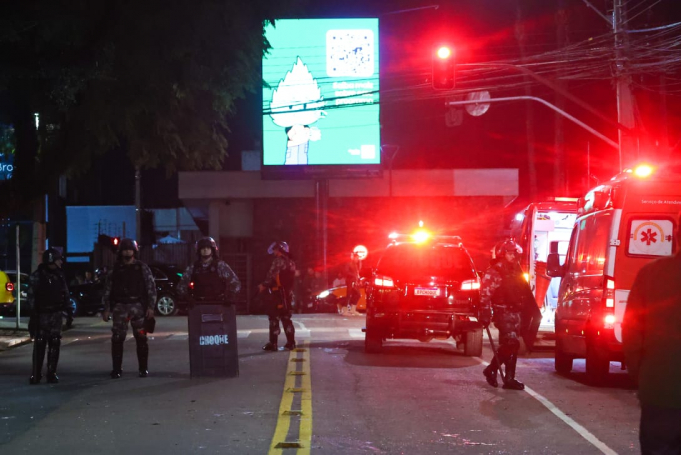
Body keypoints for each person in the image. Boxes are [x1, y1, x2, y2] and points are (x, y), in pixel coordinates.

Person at [622, 212, 681, 455]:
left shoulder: (651, 274)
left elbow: (632, 331)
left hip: (660, 389)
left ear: (676, 236)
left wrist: (641, 373)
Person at [478, 239, 532, 390]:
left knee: (512, 346)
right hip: (503, 311)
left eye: (515, 253)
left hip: (515, 312)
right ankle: (491, 369)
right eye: (510, 253)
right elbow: (485, 293)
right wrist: (485, 311)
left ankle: (509, 378)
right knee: (511, 343)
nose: (514, 256)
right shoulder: (495, 270)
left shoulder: (515, 270)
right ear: (503, 254)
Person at [101, 239, 156, 379]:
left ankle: (143, 369)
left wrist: (151, 307)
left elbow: (151, 287)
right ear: (120, 252)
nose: (127, 252)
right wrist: (106, 308)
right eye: (125, 250)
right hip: (120, 307)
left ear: (134, 251)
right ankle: (117, 369)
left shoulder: (142, 267)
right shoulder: (115, 269)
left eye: (130, 250)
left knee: (142, 337)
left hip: (138, 306)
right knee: (117, 338)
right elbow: (108, 290)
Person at [27, 248, 71, 384]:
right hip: (42, 315)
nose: (61, 262)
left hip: (56, 314)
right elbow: (31, 296)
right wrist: (34, 315)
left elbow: (65, 293)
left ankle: (51, 373)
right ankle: (36, 374)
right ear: (51, 259)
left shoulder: (59, 275)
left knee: (55, 342)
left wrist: (68, 311)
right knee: (40, 343)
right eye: (59, 259)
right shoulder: (37, 276)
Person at [177, 237, 241, 303]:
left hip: (218, 304)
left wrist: (230, 296)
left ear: (212, 250)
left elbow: (235, 282)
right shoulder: (193, 267)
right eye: (203, 248)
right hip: (198, 304)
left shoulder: (220, 266)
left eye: (208, 248)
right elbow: (181, 286)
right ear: (199, 251)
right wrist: (187, 298)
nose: (205, 250)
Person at [258, 241, 296, 351]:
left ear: (279, 250)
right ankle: (291, 342)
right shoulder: (291, 262)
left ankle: (273, 343)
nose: (274, 251)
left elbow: (271, 276)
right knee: (286, 318)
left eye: (275, 249)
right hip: (288, 294)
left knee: (274, 318)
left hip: (277, 294)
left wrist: (263, 285)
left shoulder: (278, 261)